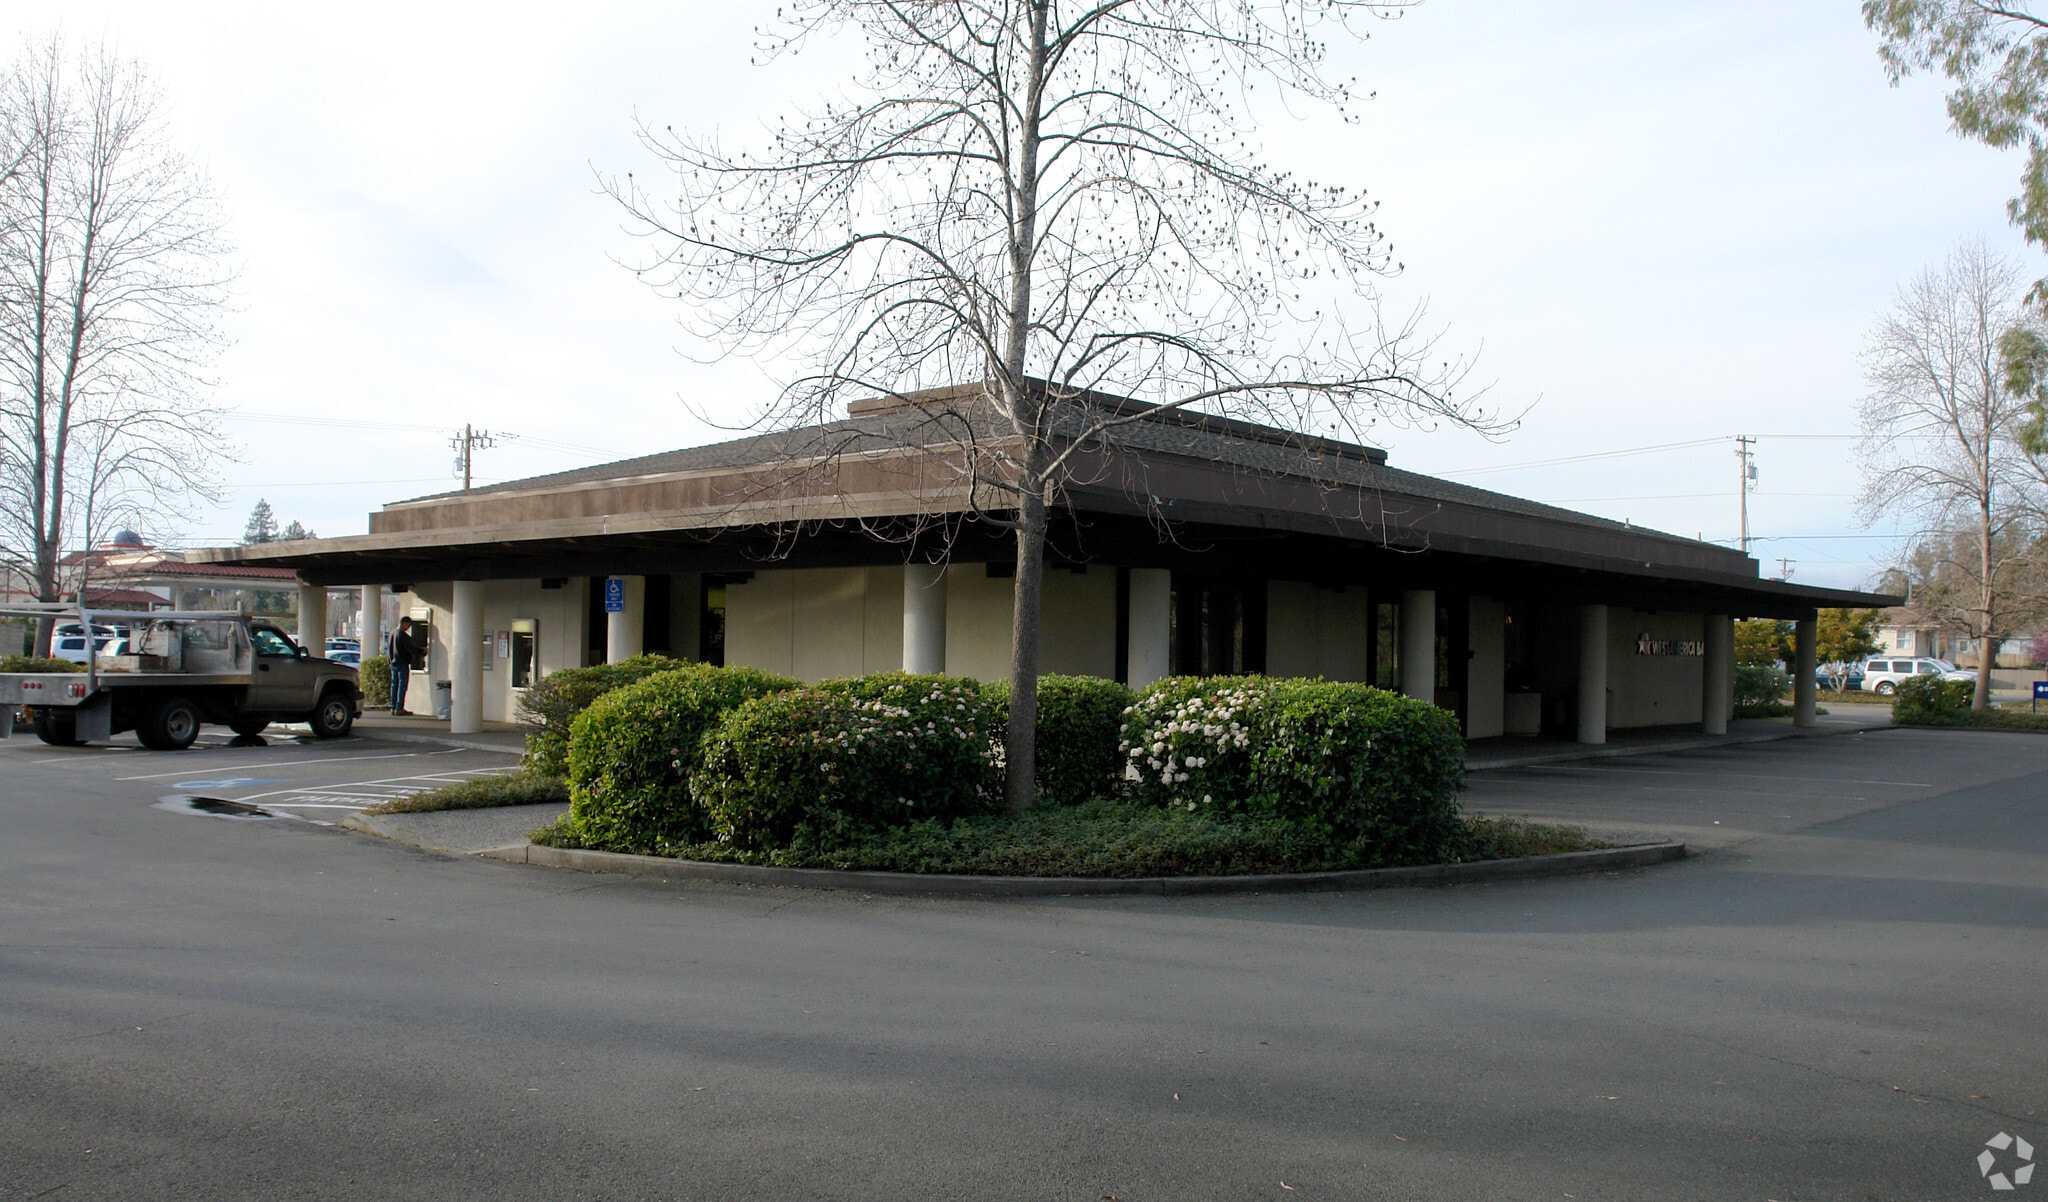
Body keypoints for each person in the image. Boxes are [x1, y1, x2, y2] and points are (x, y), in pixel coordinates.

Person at [388, 616, 416, 715]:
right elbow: (410, 649)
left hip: (393, 664)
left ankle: (393, 707)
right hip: (402, 663)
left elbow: (389, 650)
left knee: (394, 685)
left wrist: (390, 662)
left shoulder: (392, 633)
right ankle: (399, 707)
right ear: (404, 623)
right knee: (402, 685)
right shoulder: (402, 635)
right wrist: (422, 650)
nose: (408, 628)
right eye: (408, 625)